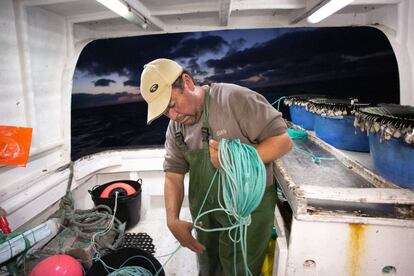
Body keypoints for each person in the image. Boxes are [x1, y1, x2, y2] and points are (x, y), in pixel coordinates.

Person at [140, 58, 292, 276]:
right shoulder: (175, 127)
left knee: (239, 268)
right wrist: (172, 220)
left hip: (249, 212)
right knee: (208, 264)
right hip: (206, 212)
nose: (173, 116)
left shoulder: (235, 99)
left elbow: (282, 141)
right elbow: (173, 173)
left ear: (187, 82)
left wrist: (234, 160)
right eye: (165, 112)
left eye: (172, 105)